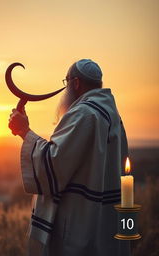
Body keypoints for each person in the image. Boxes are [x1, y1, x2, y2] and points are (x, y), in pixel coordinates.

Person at [8, 59, 131, 256]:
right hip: (104, 216)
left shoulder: (84, 113)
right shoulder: (111, 113)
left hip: (79, 222)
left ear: (75, 83)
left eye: (66, 83)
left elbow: (54, 164)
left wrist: (24, 131)